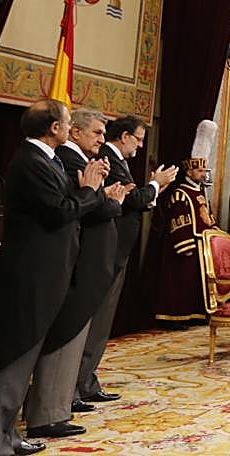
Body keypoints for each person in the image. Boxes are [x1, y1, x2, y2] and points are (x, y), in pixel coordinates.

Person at [0, 100, 109, 456]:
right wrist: (90, 191)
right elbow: (59, 212)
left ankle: (8, 435)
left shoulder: (47, 160)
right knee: (13, 359)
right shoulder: (30, 162)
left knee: (27, 359)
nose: (69, 127)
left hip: (46, 274)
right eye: (66, 121)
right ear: (54, 127)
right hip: (28, 276)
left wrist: (87, 191)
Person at [25, 109, 126, 439]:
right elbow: (88, 207)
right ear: (74, 133)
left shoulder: (79, 159)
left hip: (88, 260)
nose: (101, 139)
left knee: (76, 335)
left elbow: (97, 203)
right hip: (79, 260)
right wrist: (105, 197)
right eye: (96, 133)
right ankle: (49, 411)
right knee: (67, 335)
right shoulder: (70, 160)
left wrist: (104, 196)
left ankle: (59, 405)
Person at [79, 115, 173, 403]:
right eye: (139, 139)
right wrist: (156, 185)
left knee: (103, 322)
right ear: (123, 137)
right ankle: (80, 382)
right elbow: (131, 201)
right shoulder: (108, 157)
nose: (141, 145)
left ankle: (87, 380)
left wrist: (146, 192)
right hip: (108, 249)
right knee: (96, 320)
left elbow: (134, 199)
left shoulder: (117, 160)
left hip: (117, 248)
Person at [153, 121, 218, 322]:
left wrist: (216, 237)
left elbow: (207, 216)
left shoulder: (200, 192)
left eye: (204, 171)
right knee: (181, 283)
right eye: (199, 171)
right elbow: (179, 221)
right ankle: (176, 318)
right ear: (189, 171)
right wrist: (186, 245)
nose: (202, 174)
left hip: (202, 246)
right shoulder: (181, 193)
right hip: (185, 246)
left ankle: (196, 315)